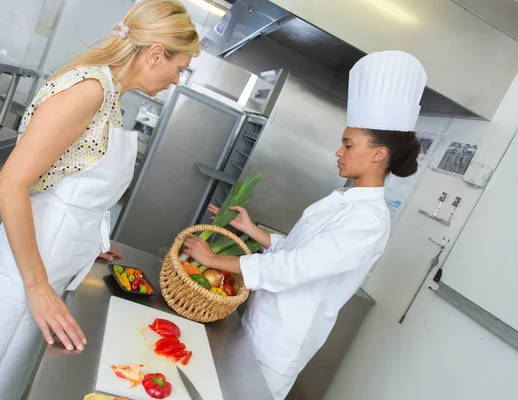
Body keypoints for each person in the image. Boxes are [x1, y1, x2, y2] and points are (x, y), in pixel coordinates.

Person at [0, 1, 199, 398]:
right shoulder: (89, 90)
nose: (176, 79)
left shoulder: (112, 99)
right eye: (179, 67)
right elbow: (9, 184)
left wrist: (87, 238)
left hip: (51, 264)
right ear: (156, 54)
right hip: (26, 272)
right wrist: (36, 286)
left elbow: (71, 184)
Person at [183, 50, 427, 399]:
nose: (338, 152)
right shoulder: (345, 201)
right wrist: (253, 231)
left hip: (279, 345)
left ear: (378, 154)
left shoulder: (368, 220)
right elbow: (301, 251)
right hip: (259, 323)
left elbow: (296, 267)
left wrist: (212, 260)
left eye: (348, 144)